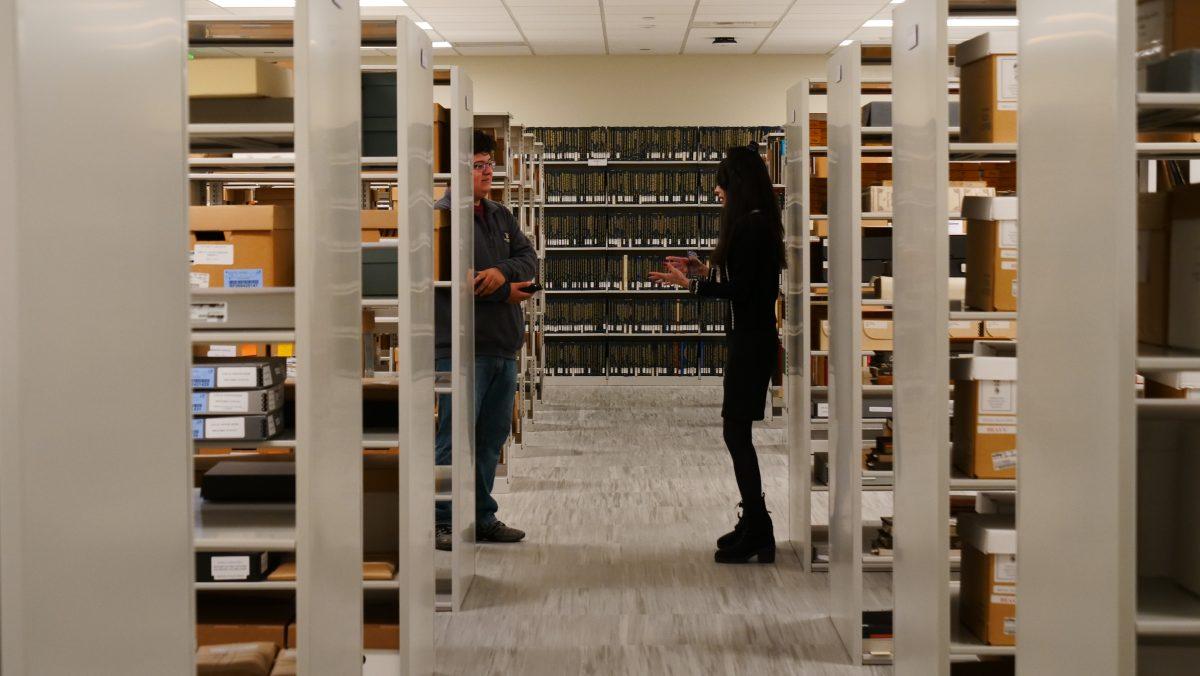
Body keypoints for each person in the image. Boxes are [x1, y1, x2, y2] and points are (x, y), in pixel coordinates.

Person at [649, 144, 784, 564]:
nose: (717, 193)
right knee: (736, 431)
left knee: (735, 433)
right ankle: (754, 521)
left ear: (737, 186)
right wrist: (703, 271)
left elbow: (743, 290)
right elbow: (747, 281)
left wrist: (690, 285)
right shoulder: (760, 223)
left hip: (751, 340)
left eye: (722, 186)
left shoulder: (750, 227)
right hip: (752, 336)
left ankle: (759, 527)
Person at [433, 130, 538, 551]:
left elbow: (529, 259)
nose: (487, 172)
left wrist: (500, 273)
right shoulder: (439, 217)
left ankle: (480, 516)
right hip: (461, 349)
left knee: (491, 439)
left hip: (502, 346)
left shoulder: (500, 214)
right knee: (453, 437)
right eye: (478, 165)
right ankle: (442, 519)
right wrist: (503, 289)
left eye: (489, 165)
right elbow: (454, 281)